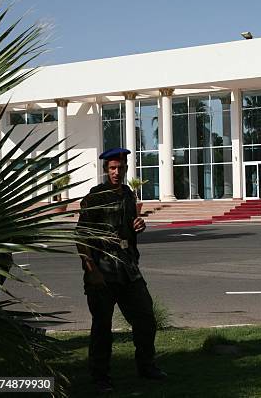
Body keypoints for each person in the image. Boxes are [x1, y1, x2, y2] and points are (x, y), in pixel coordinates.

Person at [76, 148, 166, 394]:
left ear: (126, 168)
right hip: (102, 269)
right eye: (112, 168)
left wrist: (139, 225)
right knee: (102, 326)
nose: (117, 172)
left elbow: (128, 229)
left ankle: (146, 366)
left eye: (121, 168)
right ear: (106, 170)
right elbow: (81, 235)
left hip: (127, 268)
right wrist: (91, 268)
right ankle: (100, 377)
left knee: (146, 317)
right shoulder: (95, 197)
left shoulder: (128, 194)